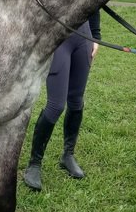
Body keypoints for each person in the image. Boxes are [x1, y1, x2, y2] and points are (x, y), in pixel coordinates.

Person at [23, 11, 101, 191]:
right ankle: (34, 164)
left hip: (84, 37)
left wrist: (95, 36)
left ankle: (68, 156)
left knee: (76, 101)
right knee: (56, 105)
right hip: (58, 38)